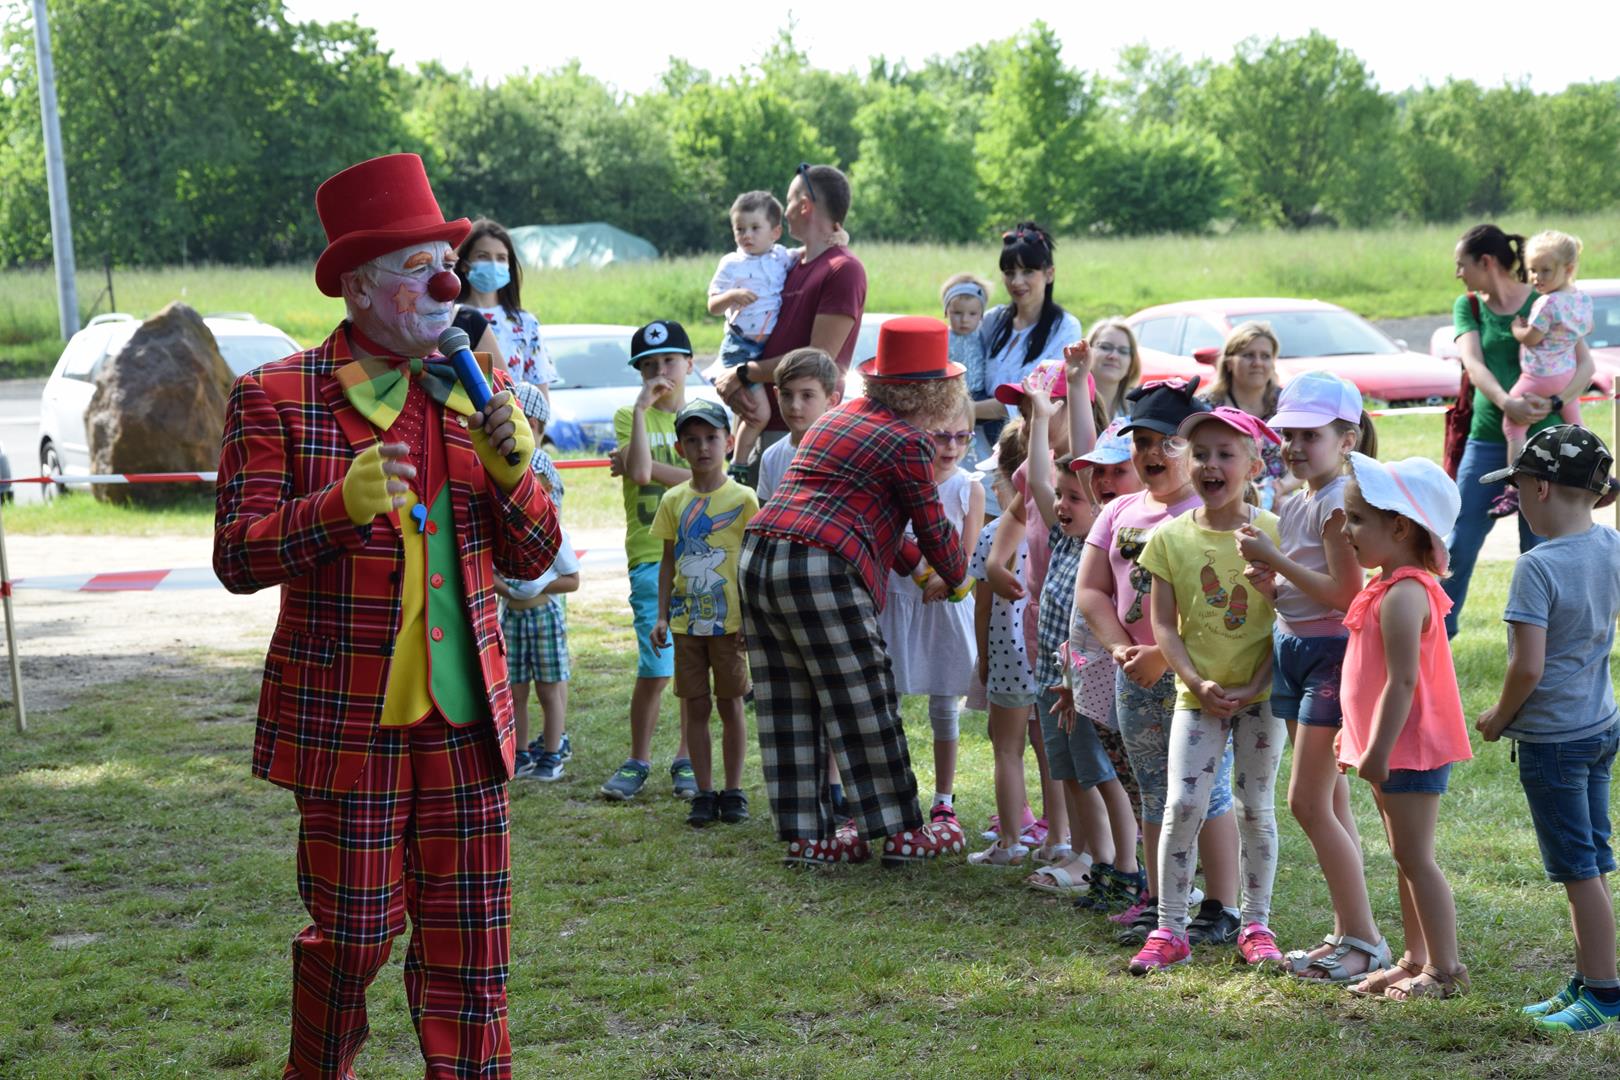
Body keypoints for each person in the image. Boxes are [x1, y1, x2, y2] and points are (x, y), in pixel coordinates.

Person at [213, 153, 560, 1076]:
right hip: (350, 722)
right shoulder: (276, 398)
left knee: (472, 946)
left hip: (466, 722)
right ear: (360, 288)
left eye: (447, 261)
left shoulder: (480, 395)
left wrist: (514, 471)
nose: (450, 281)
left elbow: (532, 556)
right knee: (354, 935)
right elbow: (237, 558)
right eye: (420, 267)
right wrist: (336, 508)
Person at [741, 316, 970, 867]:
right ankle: (901, 832)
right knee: (865, 695)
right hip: (822, 566)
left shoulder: (836, 420)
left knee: (789, 699)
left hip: (760, 557)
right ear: (936, 392)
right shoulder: (909, 441)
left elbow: (870, 519)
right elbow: (930, 523)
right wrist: (957, 574)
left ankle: (810, 836)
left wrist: (917, 566)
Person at [1076, 377, 1240, 946]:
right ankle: (1160, 898)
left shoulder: (1210, 512)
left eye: (1167, 442)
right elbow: (1092, 591)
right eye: (1141, 441)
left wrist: (1161, 656)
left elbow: (1224, 605)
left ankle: (1221, 904)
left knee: (1206, 788)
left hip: (1199, 678)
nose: (1151, 454)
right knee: (1152, 789)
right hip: (1134, 676)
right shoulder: (1120, 510)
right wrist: (1123, 648)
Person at [1234, 372, 1387, 982]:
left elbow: (1347, 593)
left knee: (1305, 800)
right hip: (1294, 649)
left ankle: (1364, 940)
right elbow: (1304, 592)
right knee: (1327, 799)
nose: (1294, 445)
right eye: (1288, 433)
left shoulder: (1336, 502)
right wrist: (1273, 588)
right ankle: (1351, 931)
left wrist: (1272, 561)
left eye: (1310, 435)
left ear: (1347, 437)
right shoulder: (1296, 499)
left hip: (1328, 655)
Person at [1128, 407, 1286, 974]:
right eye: (1200, 454)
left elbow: (1289, 619)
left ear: (1253, 463)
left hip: (1263, 699)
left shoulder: (1272, 532)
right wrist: (1196, 681)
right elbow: (1164, 626)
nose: (1211, 465)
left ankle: (1257, 924)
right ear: (1185, 461)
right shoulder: (1169, 538)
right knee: (1183, 804)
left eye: (1226, 454)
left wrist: (1256, 685)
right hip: (1198, 699)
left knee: (1255, 808)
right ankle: (1170, 928)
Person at [1474, 425, 1620, 1031]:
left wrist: (1497, 717)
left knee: (1578, 869)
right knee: (1589, 861)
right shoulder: (1610, 544)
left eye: (1517, 489)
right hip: (1599, 725)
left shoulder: (1536, 566)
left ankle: (1605, 995)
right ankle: (1588, 977)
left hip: (1554, 741)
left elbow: (1526, 665)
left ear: (1538, 487)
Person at [1337, 453, 1472, 1001]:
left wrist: (1377, 749)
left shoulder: (1404, 595)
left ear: (1398, 525)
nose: (1346, 531)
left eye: (1356, 520)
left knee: (1416, 856)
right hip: (1391, 748)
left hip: (1407, 748)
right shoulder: (1387, 586)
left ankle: (1447, 969)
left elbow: (1402, 684)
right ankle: (1417, 957)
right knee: (1404, 856)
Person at [1444, 223, 1595, 638]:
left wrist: (1553, 402)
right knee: (1460, 539)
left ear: (1486, 262)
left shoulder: (1546, 298)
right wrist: (1508, 403)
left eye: (1462, 265)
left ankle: (1543, 644)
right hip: (1487, 438)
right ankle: (1437, 635)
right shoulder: (1470, 306)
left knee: (1541, 547)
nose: (1458, 273)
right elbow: (1473, 365)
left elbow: (1585, 365)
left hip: (1546, 446)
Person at [712, 164, 866, 483]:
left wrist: (743, 373)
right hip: (761, 421)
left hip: (799, 431)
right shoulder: (791, 263)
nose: (785, 214)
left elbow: (817, 358)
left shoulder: (843, 268)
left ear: (805, 205)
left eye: (789, 201)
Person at [651, 400, 760, 828]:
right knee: (694, 707)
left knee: (731, 705)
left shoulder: (744, 499)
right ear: (679, 448)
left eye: (712, 438)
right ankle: (704, 790)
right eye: (692, 441)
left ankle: (733, 790)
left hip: (730, 625)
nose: (703, 448)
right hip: (685, 625)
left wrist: (753, 618)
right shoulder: (673, 500)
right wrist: (661, 616)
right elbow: (667, 562)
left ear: (729, 443)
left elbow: (752, 562)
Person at [599, 320, 695, 801]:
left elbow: (708, 479)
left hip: (699, 557)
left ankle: (687, 757)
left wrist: (649, 467)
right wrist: (641, 410)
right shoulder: (628, 415)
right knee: (656, 664)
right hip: (648, 557)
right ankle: (638, 758)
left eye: (670, 362)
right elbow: (637, 471)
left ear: (689, 365)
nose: (661, 372)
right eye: (649, 366)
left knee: (693, 666)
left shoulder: (702, 416)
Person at [877, 394, 983, 826]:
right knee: (888, 701)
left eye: (962, 436)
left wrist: (943, 577)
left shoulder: (967, 487)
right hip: (898, 601)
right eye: (941, 436)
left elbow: (968, 553)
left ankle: (943, 797)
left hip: (944, 608)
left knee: (944, 705)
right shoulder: (897, 483)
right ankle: (892, 790)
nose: (951, 446)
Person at [1055, 423, 1146, 905]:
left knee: (1137, 781)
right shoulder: (1096, 531)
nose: (1106, 480)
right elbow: (1078, 618)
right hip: (1089, 671)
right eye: (1099, 472)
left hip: (1132, 672)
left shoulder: (1145, 530)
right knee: (1121, 777)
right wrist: (1070, 678)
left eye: (1118, 470)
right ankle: (1128, 873)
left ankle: (1140, 876)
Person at [499, 380, 579, 782]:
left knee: (550, 684)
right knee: (515, 689)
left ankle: (552, 749)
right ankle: (523, 751)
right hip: (511, 613)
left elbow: (571, 576)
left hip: (543, 610)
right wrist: (508, 588)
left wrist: (537, 586)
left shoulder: (537, 468)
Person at [1495, 231, 1593, 516]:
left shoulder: (1547, 302)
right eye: (1532, 270)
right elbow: (1586, 330)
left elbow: (1532, 338)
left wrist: (1517, 330)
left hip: (1539, 374)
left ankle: (1512, 489)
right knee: (1575, 426)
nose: (1537, 277)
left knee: (1513, 425)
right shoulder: (1582, 299)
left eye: (1545, 270)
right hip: (1567, 373)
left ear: (1569, 269)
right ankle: (1596, 473)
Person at [970, 223, 1084, 453]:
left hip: (1030, 449)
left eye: (1028, 272)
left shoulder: (1064, 328)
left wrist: (968, 410)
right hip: (978, 445)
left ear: (1049, 274)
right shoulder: (992, 320)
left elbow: (1031, 399)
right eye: (1010, 273)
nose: (1017, 282)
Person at [453, 218, 560, 392]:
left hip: (513, 416)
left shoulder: (525, 323)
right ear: (464, 264)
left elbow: (540, 394)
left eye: (501, 258)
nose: (493, 264)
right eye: (483, 256)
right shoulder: (448, 317)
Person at [1199, 321, 1292, 509]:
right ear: (1229, 363)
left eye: (1265, 356)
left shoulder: (1287, 404)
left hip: (1278, 498)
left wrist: (1281, 487)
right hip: (1219, 495)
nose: (1257, 363)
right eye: (1248, 355)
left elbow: (1305, 457)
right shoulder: (1206, 405)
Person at [757, 347, 840, 504]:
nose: (795, 405)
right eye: (787, 394)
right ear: (776, 395)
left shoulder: (843, 456)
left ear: (831, 401)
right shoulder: (771, 457)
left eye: (807, 395)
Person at [941, 272, 992, 463]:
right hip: (953, 392)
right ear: (946, 312)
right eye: (957, 313)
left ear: (981, 316)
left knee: (990, 429)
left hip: (979, 392)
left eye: (972, 314)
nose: (964, 320)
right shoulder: (944, 337)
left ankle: (995, 456)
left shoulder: (984, 336)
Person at [1087, 318, 1143, 423]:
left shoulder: (1139, 409)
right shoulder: (1068, 404)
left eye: (1123, 351)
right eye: (1105, 347)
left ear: (1132, 362)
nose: (1114, 356)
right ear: (1088, 350)